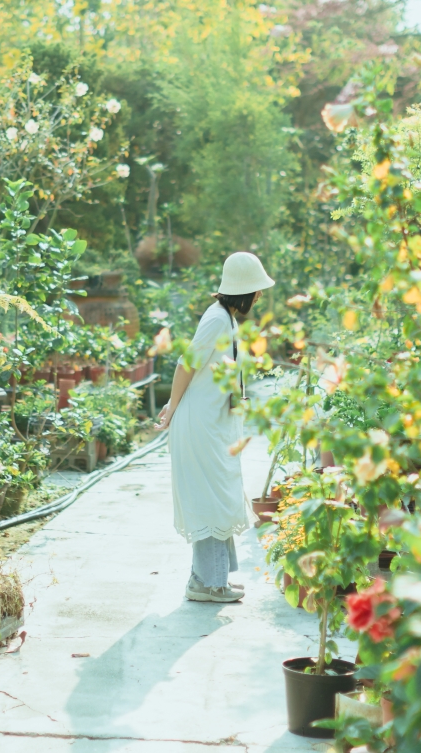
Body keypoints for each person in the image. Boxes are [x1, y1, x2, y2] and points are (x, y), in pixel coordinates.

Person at [158, 251, 274, 603]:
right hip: (199, 426)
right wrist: (172, 407)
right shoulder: (217, 320)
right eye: (257, 290)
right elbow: (186, 364)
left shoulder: (227, 319)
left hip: (212, 424)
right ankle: (210, 584)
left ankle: (207, 578)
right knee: (209, 500)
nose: (259, 296)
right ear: (244, 291)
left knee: (217, 498)